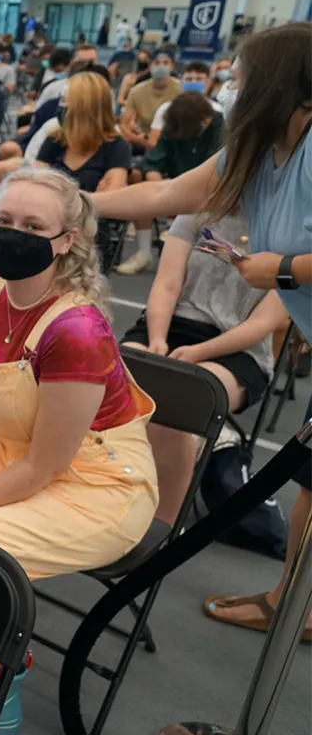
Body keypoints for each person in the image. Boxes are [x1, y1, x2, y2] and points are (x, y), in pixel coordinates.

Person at [90, 23, 312, 640]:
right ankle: (291, 600)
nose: (229, 89)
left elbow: (274, 299)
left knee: (185, 400)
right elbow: (164, 194)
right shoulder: (254, 153)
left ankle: (284, 598)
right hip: (236, 326)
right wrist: (72, 200)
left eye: (239, 79)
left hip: (252, 340)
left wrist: (285, 270)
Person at [0, 166, 158, 706]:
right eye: (4, 220)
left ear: (66, 242)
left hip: (98, 485)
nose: (14, 234)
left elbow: (45, 467)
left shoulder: (76, 332)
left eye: (33, 227)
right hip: (17, 452)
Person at [121, 208, 283, 525]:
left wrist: (198, 353)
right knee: (113, 379)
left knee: (182, 400)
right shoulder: (198, 212)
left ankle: (163, 525)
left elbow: (263, 324)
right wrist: (156, 340)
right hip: (168, 326)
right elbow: (166, 285)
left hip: (240, 349)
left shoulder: (297, 238)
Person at [33, 71, 131, 272]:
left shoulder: (117, 147)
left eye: (66, 102)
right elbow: (35, 190)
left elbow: (110, 201)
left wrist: (57, 195)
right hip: (45, 229)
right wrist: (87, 197)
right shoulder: (55, 140)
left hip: (89, 237)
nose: (61, 107)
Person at [116, 49, 180, 275]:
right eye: (157, 62)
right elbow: (124, 125)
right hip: (144, 145)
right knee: (136, 180)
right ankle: (144, 251)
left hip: (175, 147)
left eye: (166, 62)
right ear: (151, 66)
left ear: (172, 65)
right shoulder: (137, 90)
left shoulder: (180, 90)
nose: (161, 66)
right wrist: (140, 140)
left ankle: (174, 234)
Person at [142, 92, 223, 182]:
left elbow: (213, 169)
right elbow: (153, 163)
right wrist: (159, 182)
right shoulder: (175, 124)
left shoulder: (221, 127)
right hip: (175, 183)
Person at [146, 61, 221, 148]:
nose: (193, 82)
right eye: (189, 79)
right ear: (181, 82)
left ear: (208, 83)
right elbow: (152, 142)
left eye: (199, 79)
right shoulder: (166, 109)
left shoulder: (217, 110)